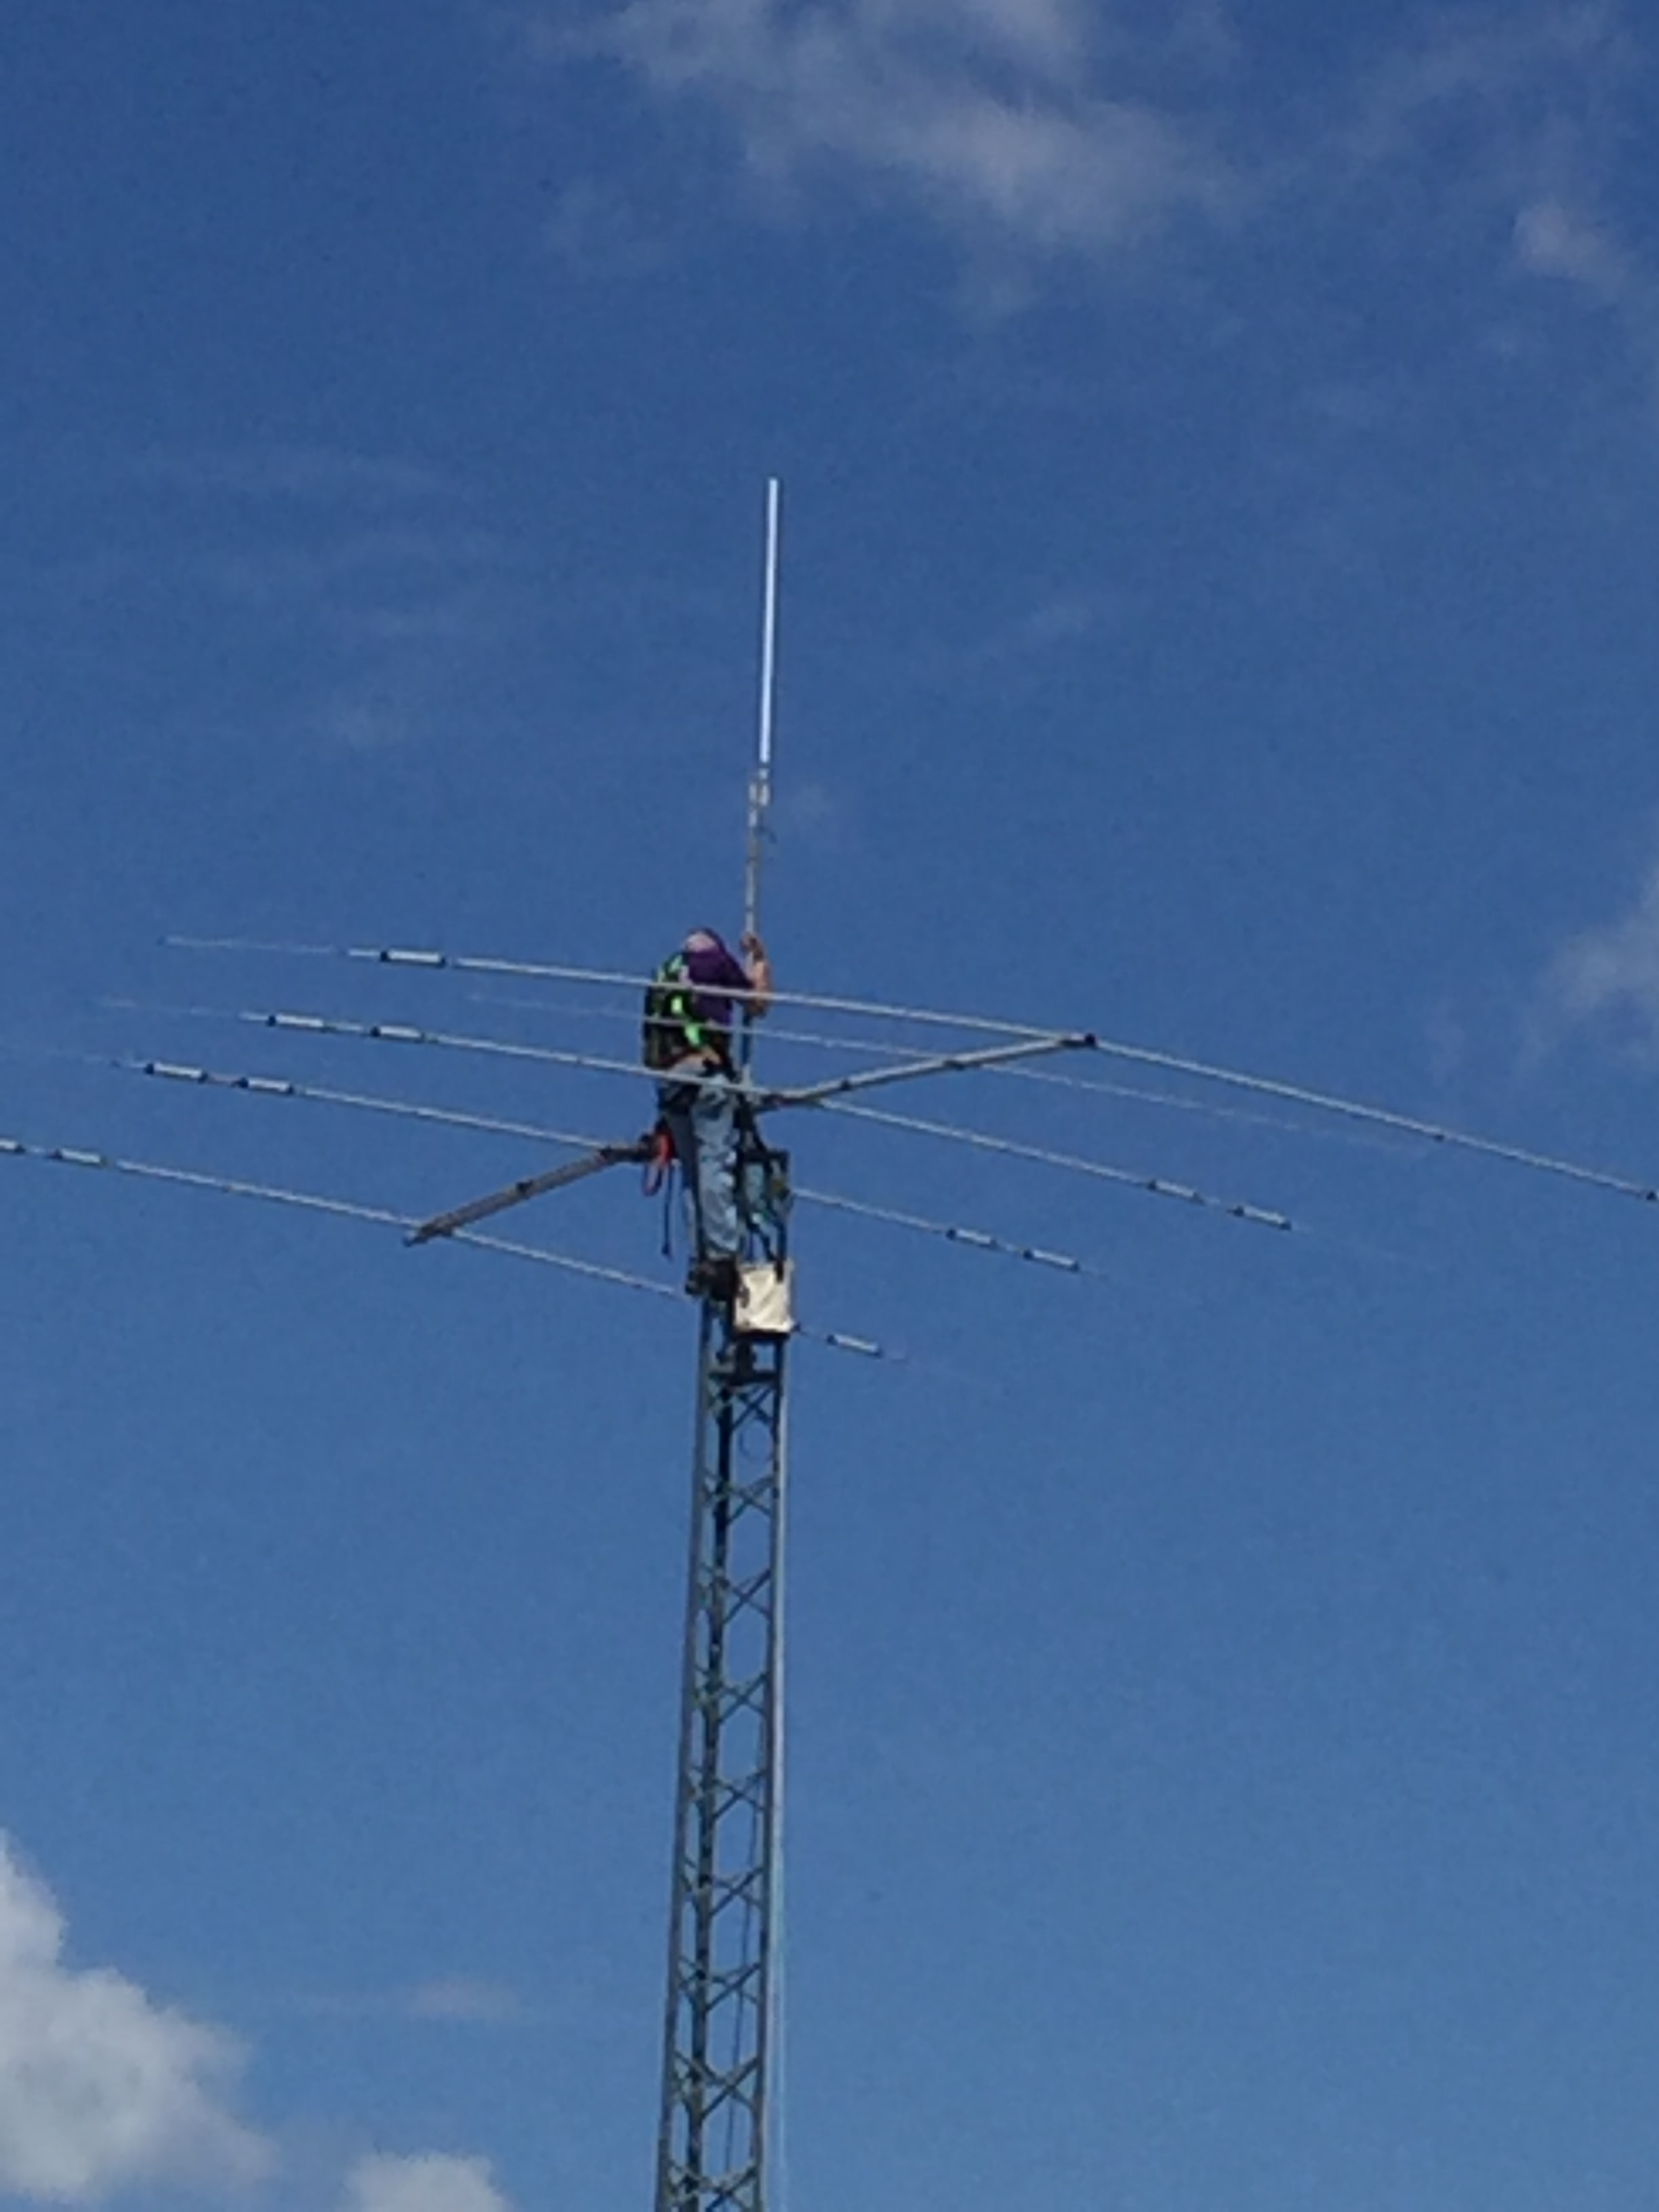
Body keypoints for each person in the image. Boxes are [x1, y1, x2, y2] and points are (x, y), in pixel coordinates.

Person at [651, 928, 773, 1300]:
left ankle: (699, 1259)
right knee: (714, 1164)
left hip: (669, 1084)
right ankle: (721, 1258)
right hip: (706, 1075)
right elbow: (757, 1003)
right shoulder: (715, 962)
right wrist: (760, 961)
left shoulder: (666, 973)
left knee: (692, 1175)